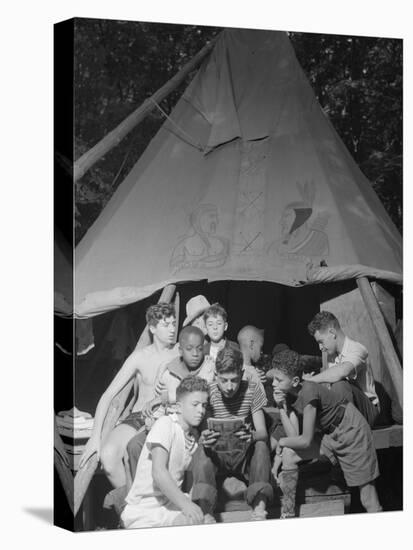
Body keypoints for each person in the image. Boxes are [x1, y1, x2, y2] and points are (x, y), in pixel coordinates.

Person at [271, 348, 382, 517]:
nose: (273, 384)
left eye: (278, 380)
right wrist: (281, 408)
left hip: (351, 431)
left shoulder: (308, 392)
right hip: (329, 436)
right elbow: (294, 438)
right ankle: (288, 513)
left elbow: (306, 440)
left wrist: (281, 441)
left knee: (368, 499)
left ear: (294, 381)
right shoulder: (289, 394)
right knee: (290, 454)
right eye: (274, 379)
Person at [79, 303, 179, 488]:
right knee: (108, 456)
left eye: (174, 323)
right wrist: (95, 438)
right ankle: (130, 505)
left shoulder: (181, 353)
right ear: (153, 328)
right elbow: (107, 396)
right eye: (166, 325)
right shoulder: (140, 357)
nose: (172, 329)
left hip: (168, 416)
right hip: (138, 416)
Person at [191, 346, 273, 521]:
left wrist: (252, 436)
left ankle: (259, 509)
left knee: (261, 445)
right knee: (201, 448)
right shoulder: (210, 391)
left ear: (242, 373)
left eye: (234, 380)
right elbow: (204, 429)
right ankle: (206, 513)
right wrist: (204, 437)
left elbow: (263, 432)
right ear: (216, 374)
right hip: (218, 457)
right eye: (224, 380)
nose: (229, 387)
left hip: (243, 456)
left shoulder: (252, 389)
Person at [120, 377, 209, 529]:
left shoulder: (193, 438)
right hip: (146, 509)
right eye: (195, 405)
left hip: (170, 505)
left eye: (204, 405)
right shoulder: (165, 424)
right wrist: (187, 505)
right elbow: (158, 472)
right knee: (191, 523)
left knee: (206, 521)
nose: (201, 410)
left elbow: (187, 479)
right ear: (179, 407)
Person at [306, 311, 379, 426]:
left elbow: (342, 371)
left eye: (321, 342)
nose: (320, 348)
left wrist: (311, 380)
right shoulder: (331, 356)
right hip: (346, 409)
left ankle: (347, 431)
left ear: (332, 332)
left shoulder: (357, 349)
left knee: (339, 383)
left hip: (368, 411)